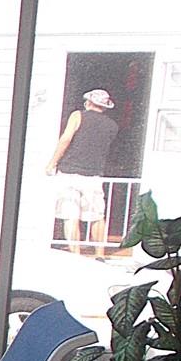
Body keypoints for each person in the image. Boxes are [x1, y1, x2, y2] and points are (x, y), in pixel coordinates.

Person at [47, 88, 117, 256]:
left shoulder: (77, 116)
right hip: (94, 175)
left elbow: (66, 139)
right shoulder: (112, 126)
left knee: (70, 215)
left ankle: (76, 253)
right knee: (97, 216)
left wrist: (52, 163)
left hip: (69, 173)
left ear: (89, 102)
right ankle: (100, 254)